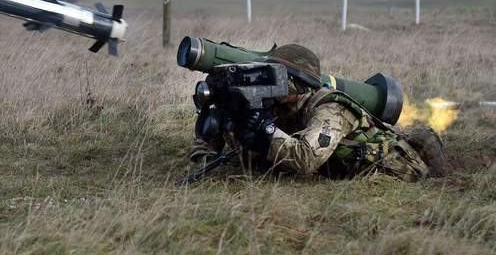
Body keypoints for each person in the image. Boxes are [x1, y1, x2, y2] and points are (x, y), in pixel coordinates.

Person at [190, 44, 449, 181]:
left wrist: (265, 130)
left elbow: (305, 160)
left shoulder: (330, 109)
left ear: (299, 83)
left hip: (393, 171)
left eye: (279, 78)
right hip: (336, 168)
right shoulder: (280, 104)